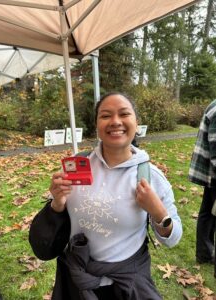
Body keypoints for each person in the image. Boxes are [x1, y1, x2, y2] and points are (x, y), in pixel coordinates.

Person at [29, 92, 182, 300]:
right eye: (106, 115)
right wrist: (57, 203)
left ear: (136, 123)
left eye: (124, 114)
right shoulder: (77, 167)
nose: (115, 122)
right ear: (97, 124)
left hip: (123, 287)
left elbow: (172, 240)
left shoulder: (151, 177)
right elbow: (55, 224)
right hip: (76, 280)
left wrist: (158, 212)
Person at [189, 99, 216, 273]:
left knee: (208, 211)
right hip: (213, 171)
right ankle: (205, 253)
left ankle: (204, 253)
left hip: (211, 172)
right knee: (209, 212)